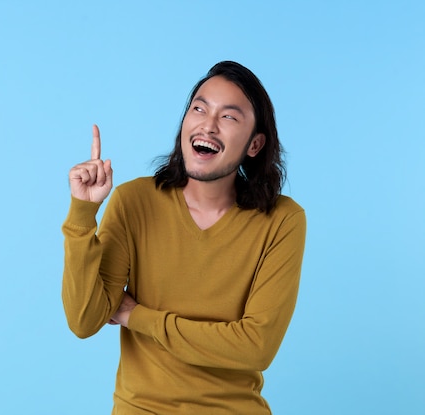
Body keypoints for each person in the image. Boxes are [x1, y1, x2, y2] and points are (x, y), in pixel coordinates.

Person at [62, 60, 306, 414]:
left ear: (255, 145)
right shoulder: (135, 201)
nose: (208, 125)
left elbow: (256, 347)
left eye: (228, 117)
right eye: (199, 109)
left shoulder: (282, 221)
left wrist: (137, 316)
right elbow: (85, 320)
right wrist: (83, 214)